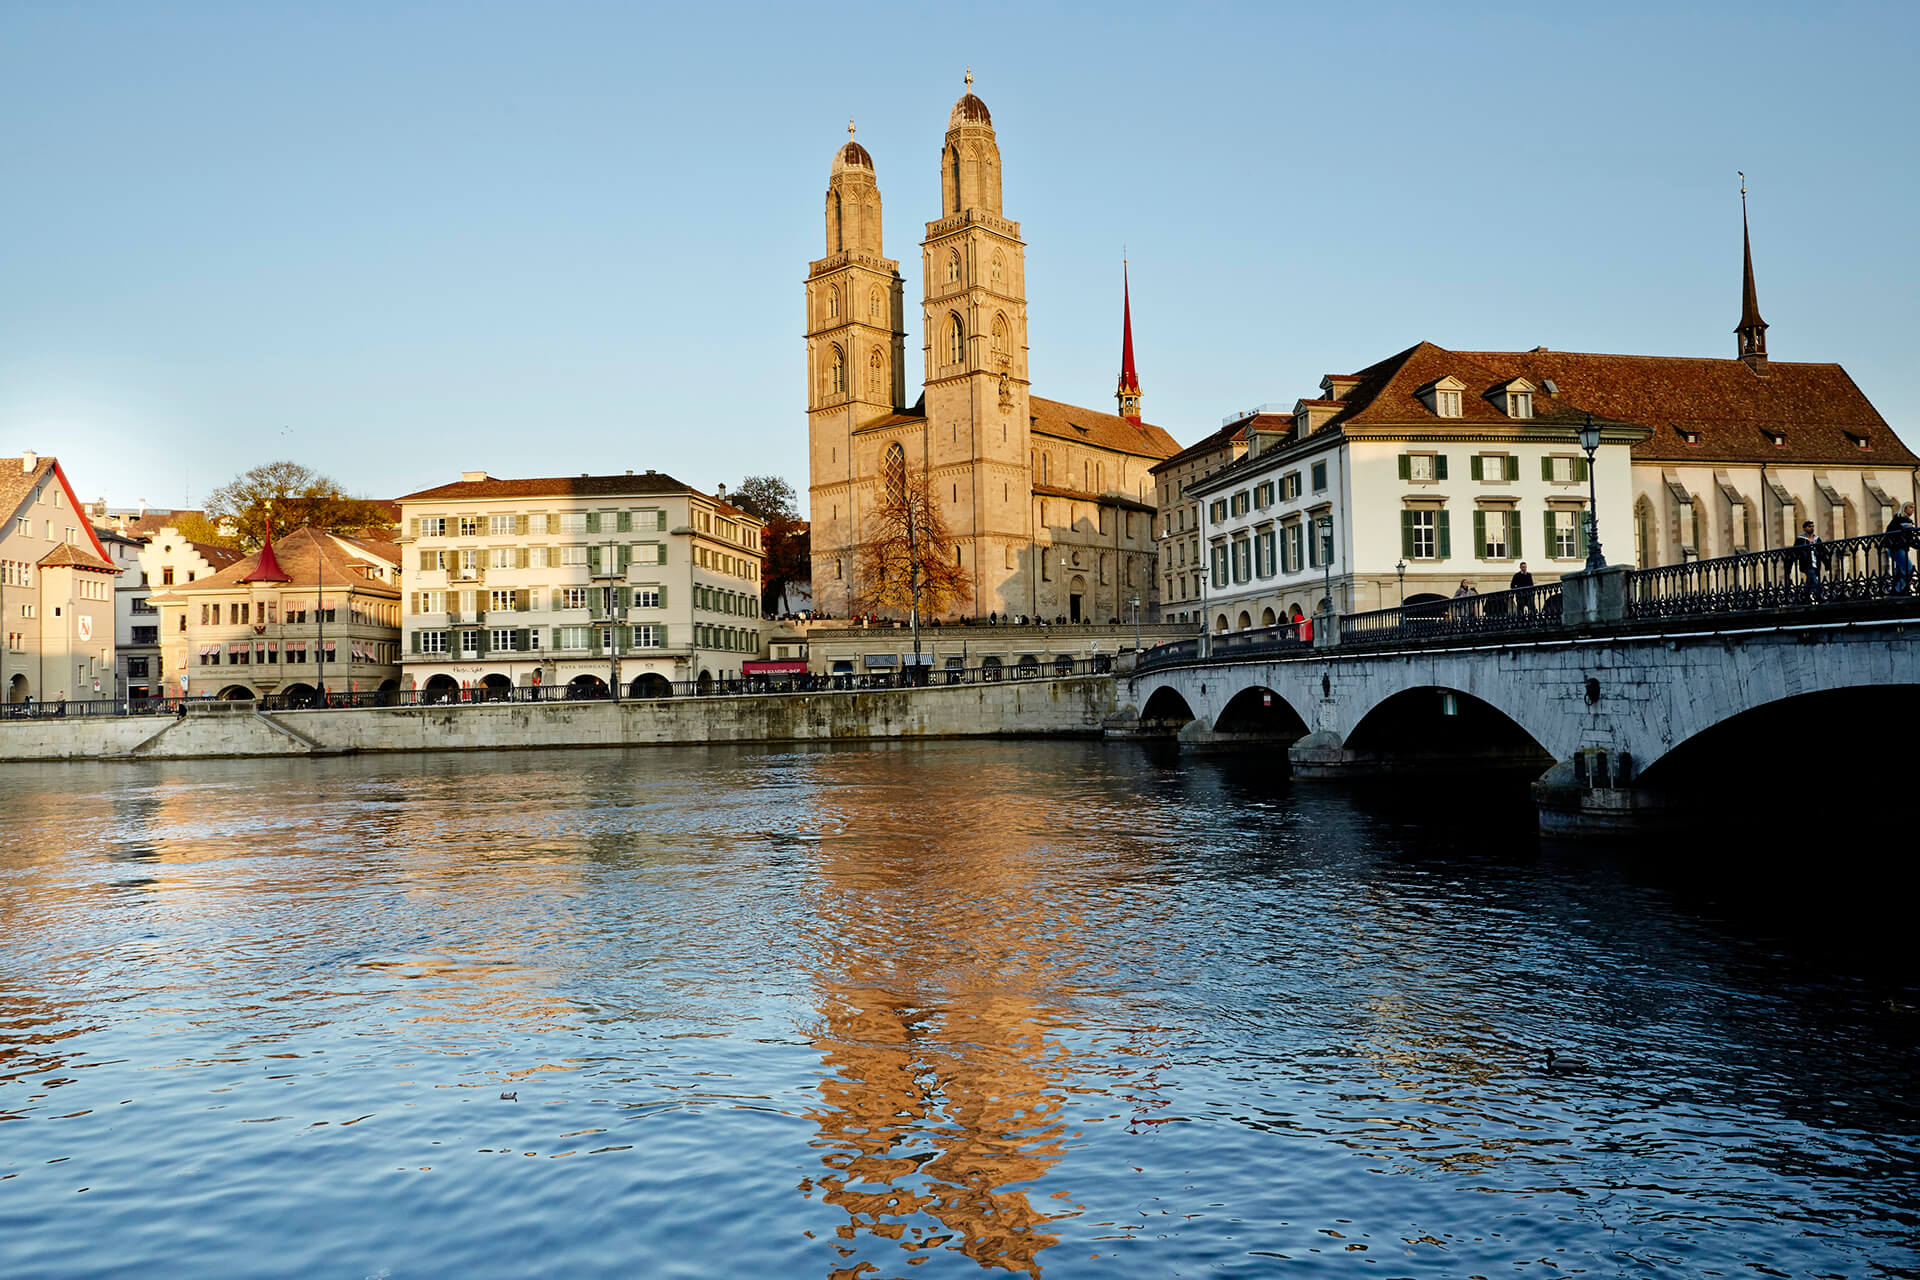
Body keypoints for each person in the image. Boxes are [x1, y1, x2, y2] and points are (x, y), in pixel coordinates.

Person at [1794, 520, 1829, 599]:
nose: (1811, 528)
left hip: (1816, 563)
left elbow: (1822, 552)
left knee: (1810, 581)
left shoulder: (1817, 539)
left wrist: (1826, 563)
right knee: (1812, 576)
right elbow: (1795, 551)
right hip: (1806, 564)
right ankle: (1819, 596)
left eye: (1812, 526)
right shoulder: (1800, 539)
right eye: (1809, 526)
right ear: (1804, 528)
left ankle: (1805, 597)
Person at [1887, 502, 1915, 595]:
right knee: (1908, 568)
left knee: (1900, 570)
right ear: (1904, 508)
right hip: (1897, 548)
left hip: (1898, 548)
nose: (1912, 510)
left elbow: (1910, 539)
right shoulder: (1900, 519)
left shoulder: (1903, 520)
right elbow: (1891, 531)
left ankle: (1896, 590)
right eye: (1910, 507)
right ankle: (1900, 590)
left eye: (1913, 508)